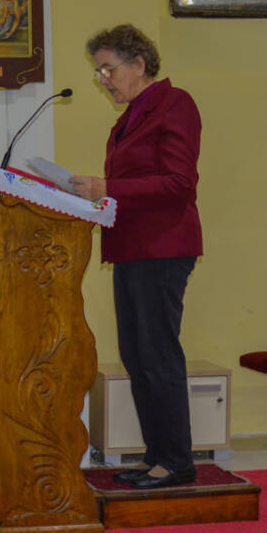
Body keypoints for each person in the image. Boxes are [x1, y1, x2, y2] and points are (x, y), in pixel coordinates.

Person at [68, 24, 202, 489]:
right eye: (99, 72)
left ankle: (177, 463)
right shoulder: (129, 118)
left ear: (139, 64)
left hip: (162, 247)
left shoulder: (174, 104)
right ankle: (156, 456)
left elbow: (178, 184)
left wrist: (107, 188)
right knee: (137, 355)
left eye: (108, 69)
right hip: (131, 249)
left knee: (157, 353)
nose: (103, 79)